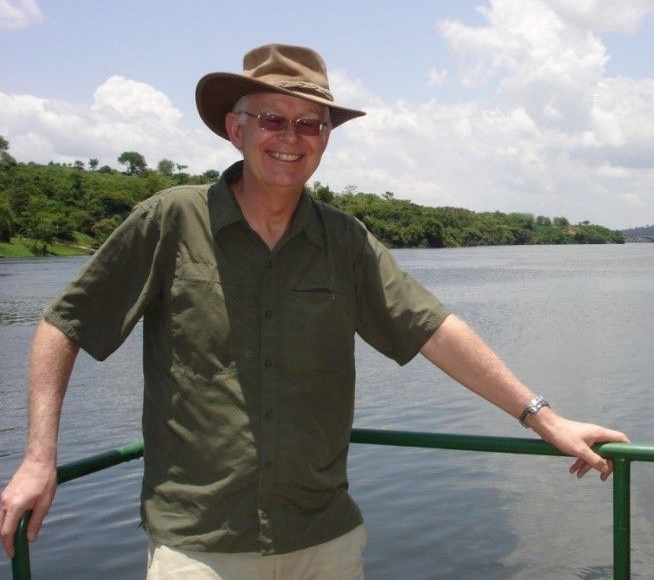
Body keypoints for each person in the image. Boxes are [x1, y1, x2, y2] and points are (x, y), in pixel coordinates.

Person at [0, 44, 628, 579]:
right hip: (200, 546)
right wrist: (38, 457)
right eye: (272, 118)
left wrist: (545, 419)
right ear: (234, 127)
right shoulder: (169, 221)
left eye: (311, 124)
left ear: (327, 138)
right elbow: (65, 323)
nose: (291, 138)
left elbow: (433, 329)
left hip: (324, 540)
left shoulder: (344, 241)